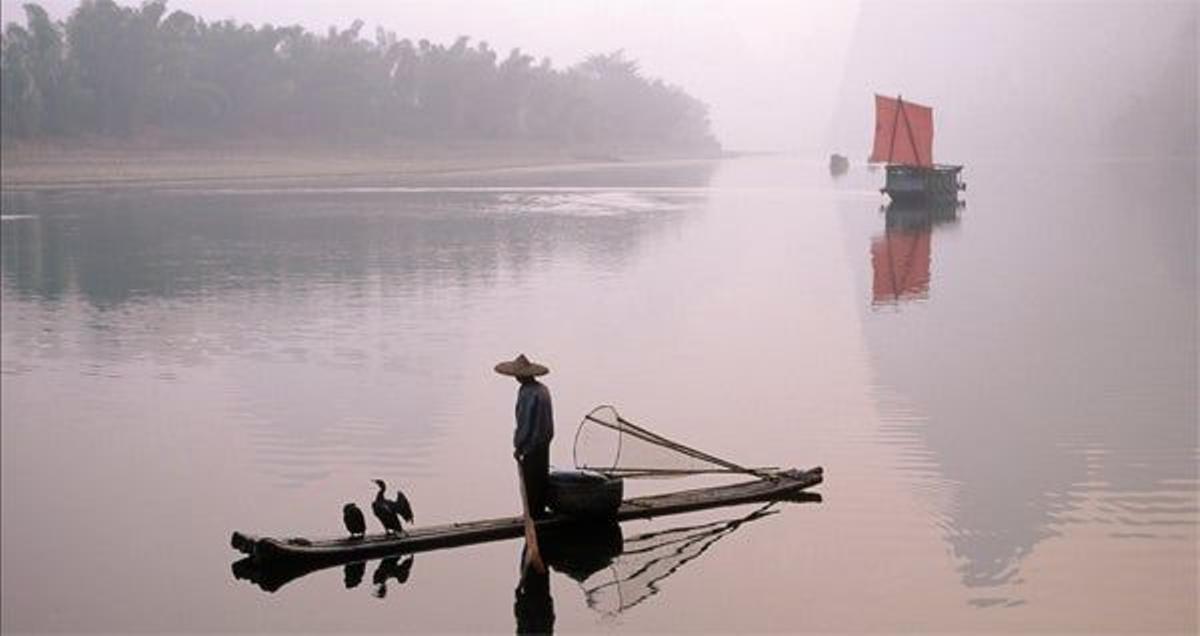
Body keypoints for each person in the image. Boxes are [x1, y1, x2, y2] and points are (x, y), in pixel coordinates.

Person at [495, 354, 554, 518]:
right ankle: (539, 513)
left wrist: (518, 446)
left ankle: (533, 516)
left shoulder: (527, 393)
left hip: (532, 446)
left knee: (531, 483)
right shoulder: (543, 389)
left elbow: (525, 424)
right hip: (544, 442)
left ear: (520, 376)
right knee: (541, 479)